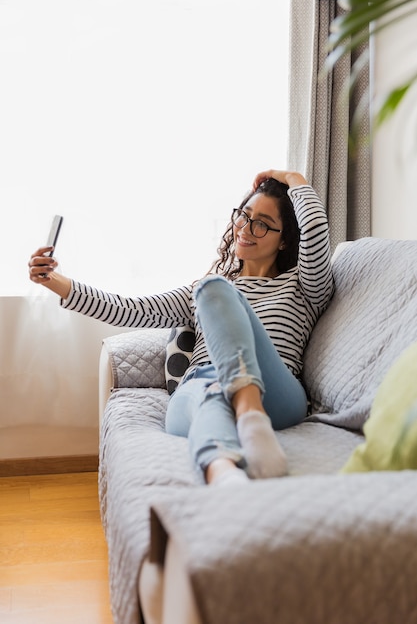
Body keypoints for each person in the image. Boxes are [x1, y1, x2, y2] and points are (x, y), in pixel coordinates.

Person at [28, 170, 334, 485]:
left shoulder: (303, 286)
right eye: (244, 216)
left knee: (215, 291)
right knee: (212, 307)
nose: (245, 229)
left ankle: (250, 410)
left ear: (285, 240)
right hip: (202, 386)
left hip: (276, 392)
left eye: (262, 224)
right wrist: (55, 282)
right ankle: (225, 477)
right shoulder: (205, 291)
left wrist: (292, 177)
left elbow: (314, 229)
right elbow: (130, 310)